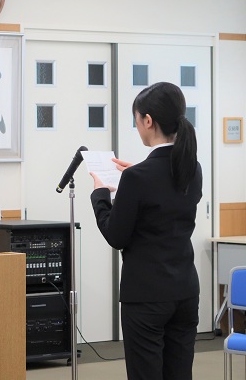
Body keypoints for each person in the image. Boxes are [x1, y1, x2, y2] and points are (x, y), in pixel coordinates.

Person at [89, 82, 202, 380]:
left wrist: (100, 196)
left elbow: (116, 236)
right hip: (185, 291)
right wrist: (133, 176)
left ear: (148, 120)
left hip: (146, 296)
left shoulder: (138, 178)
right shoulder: (193, 169)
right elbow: (164, 199)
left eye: (137, 119)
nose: (137, 126)